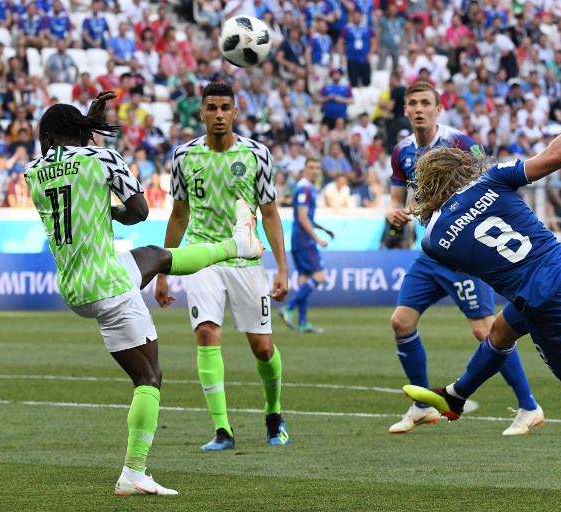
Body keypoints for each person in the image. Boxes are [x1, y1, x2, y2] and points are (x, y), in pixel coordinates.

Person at [403, 83, 561, 498]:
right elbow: (558, 155)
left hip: (549, 304)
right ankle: (456, 396)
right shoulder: (493, 179)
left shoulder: (434, 240)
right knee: (501, 329)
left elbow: (459, 247)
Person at [24, 92, 264, 496]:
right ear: (79, 133)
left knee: (154, 257)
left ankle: (238, 243)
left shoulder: (31, 171)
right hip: (110, 287)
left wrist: (87, 128)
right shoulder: (101, 158)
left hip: (75, 286)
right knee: (150, 378)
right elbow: (139, 212)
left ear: (47, 135)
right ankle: (134, 473)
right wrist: (109, 196)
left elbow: (65, 173)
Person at [386, 82, 543, 436]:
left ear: (438, 109)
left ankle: (529, 406)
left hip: (464, 249)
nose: (419, 109)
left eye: (426, 103)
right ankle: (422, 406)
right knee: (401, 322)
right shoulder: (401, 152)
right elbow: (397, 200)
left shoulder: (459, 142)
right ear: (406, 110)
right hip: (430, 251)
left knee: (485, 330)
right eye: (413, 104)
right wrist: (394, 214)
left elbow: (485, 181)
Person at [155, 82, 291, 451]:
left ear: (235, 112)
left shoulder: (256, 154)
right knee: (207, 333)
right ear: (201, 113)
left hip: (246, 258)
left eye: (224, 108)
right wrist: (164, 271)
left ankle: (274, 414)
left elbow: (269, 213)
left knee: (262, 348)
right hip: (202, 257)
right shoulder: (183, 156)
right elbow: (179, 215)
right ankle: (222, 430)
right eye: (211, 108)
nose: (218, 114)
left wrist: (282, 267)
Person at [279, 158, 335, 333]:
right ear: (304, 169)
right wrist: (317, 238)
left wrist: (324, 229)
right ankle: (289, 307)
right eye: (311, 167)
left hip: (298, 239)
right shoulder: (305, 188)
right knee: (320, 276)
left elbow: (306, 218)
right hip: (305, 240)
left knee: (304, 279)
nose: (315, 170)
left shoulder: (306, 188)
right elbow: (303, 218)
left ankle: (303, 322)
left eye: (318, 167)